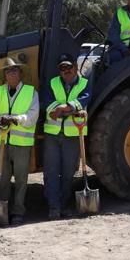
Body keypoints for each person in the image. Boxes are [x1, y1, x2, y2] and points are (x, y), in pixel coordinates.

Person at [0, 58, 40, 225]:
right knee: (2, 177)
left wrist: (15, 119)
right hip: (1, 141)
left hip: (21, 142)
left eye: (14, 70)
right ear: (5, 75)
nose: (11, 73)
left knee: (21, 178)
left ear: (20, 73)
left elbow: (32, 116)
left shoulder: (31, 92)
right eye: (8, 71)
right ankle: (2, 209)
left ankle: (18, 212)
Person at [42, 53, 91, 220]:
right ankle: (53, 207)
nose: (66, 71)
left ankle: (63, 205)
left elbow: (83, 100)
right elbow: (48, 104)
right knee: (51, 172)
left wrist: (63, 108)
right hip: (53, 134)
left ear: (75, 67)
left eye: (69, 67)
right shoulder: (52, 83)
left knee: (68, 172)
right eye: (62, 68)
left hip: (73, 134)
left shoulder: (85, 83)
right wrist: (67, 110)